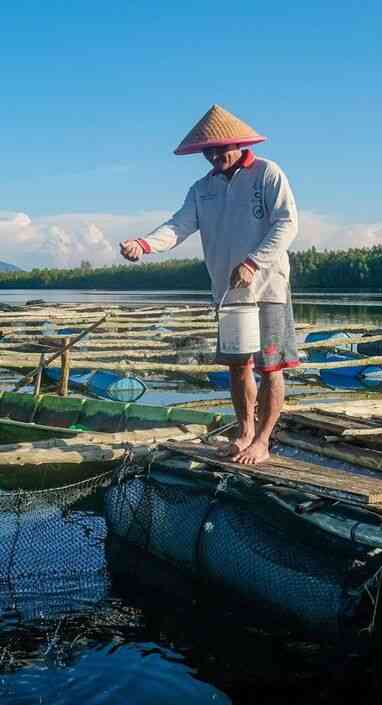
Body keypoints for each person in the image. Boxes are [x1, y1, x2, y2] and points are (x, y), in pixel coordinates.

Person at [119, 105, 298, 465]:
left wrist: (253, 262)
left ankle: (263, 441)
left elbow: (287, 223)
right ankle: (244, 432)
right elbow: (178, 226)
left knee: (271, 366)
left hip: (267, 289)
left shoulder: (267, 174)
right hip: (228, 293)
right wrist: (144, 244)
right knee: (237, 365)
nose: (216, 156)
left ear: (239, 144)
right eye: (209, 151)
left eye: (222, 149)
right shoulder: (202, 188)